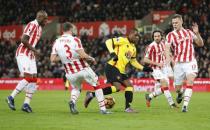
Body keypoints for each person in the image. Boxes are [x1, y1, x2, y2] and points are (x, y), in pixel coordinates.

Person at [84, 28, 153, 113]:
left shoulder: (134, 48)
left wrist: (144, 68)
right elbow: (108, 42)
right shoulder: (122, 40)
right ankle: (92, 94)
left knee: (129, 86)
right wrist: (112, 53)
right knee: (117, 87)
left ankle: (127, 108)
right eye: (135, 35)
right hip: (112, 66)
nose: (137, 37)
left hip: (121, 70)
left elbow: (133, 61)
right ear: (130, 34)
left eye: (138, 36)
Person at [50, 22, 110, 115]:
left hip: (69, 73)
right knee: (97, 85)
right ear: (70, 29)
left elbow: (52, 59)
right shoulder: (75, 40)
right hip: (82, 69)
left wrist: (63, 58)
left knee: (77, 88)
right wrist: (91, 58)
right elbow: (83, 55)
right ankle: (103, 109)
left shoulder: (57, 41)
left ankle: (72, 102)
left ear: (63, 30)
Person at [6, 10, 48, 113]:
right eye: (46, 19)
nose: (46, 22)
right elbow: (23, 40)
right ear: (41, 18)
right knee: (28, 77)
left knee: (33, 79)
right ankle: (11, 97)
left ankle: (26, 104)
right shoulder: (32, 24)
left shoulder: (40, 28)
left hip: (30, 55)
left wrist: (34, 52)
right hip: (23, 53)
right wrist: (35, 50)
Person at [165, 14, 204, 112]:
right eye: (173, 23)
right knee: (177, 88)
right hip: (178, 64)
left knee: (190, 81)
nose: (174, 24)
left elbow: (200, 44)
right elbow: (167, 48)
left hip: (190, 62)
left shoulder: (189, 32)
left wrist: (197, 34)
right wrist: (168, 59)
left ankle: (185, 106)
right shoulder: (170, 35)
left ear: (181, 21)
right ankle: (180, 93)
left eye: (176, 22)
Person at [144, 30, 178, 108]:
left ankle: (149, 96)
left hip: (164, 68)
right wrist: (157, 63)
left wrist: (169, 59)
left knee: (165, 88)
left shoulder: (163, 44)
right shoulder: (151, 46)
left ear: (161, 36)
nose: (157, 38)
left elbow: (168, 54)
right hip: (155, 69)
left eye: (158, 36)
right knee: (164, 84)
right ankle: (172, 104)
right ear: (153, 37)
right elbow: (145, 60)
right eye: (155, 36)